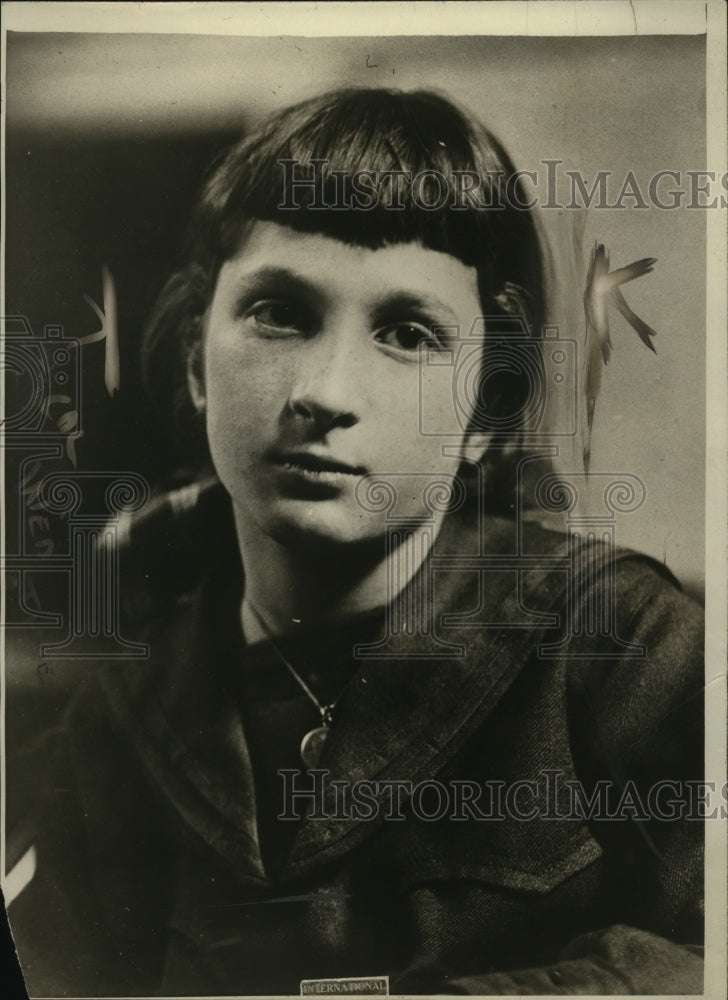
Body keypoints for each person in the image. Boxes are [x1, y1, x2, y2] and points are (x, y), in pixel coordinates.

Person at [7, 88, 703, 996]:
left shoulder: (622, 645)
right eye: (279, 312)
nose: (326, 390)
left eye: (408, 334)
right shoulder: (115, 727)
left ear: (487, 408)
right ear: (193, 361)